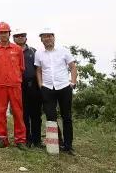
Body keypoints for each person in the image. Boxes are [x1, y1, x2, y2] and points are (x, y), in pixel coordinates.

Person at [35, 27, 77, 155]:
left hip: (64, 87)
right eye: (44, 36)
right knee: (50, 116)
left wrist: (73, 82)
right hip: (47, 88)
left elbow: (72, 67)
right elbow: (38, 70)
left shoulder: (63, 51)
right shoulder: (39, 53)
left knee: (66, 116)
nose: (47, 38)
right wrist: (40, 85)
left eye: (49, 36)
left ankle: (68, 145)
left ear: (53, 37)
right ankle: (57, 142)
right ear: (41, 39)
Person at [0, 22, 26, 149]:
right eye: (0, 32)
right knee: (0, 111)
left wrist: (14, 78)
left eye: (5, 32)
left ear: (9, 33)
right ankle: (1, 138)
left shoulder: (17, 49)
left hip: (15, 85)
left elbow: (21, 67)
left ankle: (20, 140)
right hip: (0, 85)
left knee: (18, 112)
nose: (3, 34)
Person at [13, 27, 43, 148]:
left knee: (36, 114)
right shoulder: (11, 51)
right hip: (18, 86)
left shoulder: (33, 51)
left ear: (26, 37)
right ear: (14, 38)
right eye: (17, 36)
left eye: (22, 35)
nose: (20, 37)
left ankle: (37, 140)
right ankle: (26, 139)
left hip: (33, 85)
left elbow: (39, 69)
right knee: (23, 114)